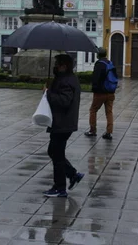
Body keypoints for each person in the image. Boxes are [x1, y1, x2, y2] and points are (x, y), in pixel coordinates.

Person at [43, 54, 85, 198]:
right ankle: (73, 175)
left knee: (56, 154)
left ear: (64, 66)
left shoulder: (67, 81)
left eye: (58, 63)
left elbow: (64, 101)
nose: (55, 65)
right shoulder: (64, 78)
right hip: (62, 122)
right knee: (54, 152)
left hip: (63, 123)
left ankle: (60, 188)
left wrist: (49, 94)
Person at [84, 48, 116, 140]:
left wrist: (94, 89)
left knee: (93, 110)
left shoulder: (99, 64)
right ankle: (109, 132)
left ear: (98, 55)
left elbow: (96, 79)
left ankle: (92, 130)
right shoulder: (110, 63)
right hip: (110, 92)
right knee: (109, 112)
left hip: (100, 93)